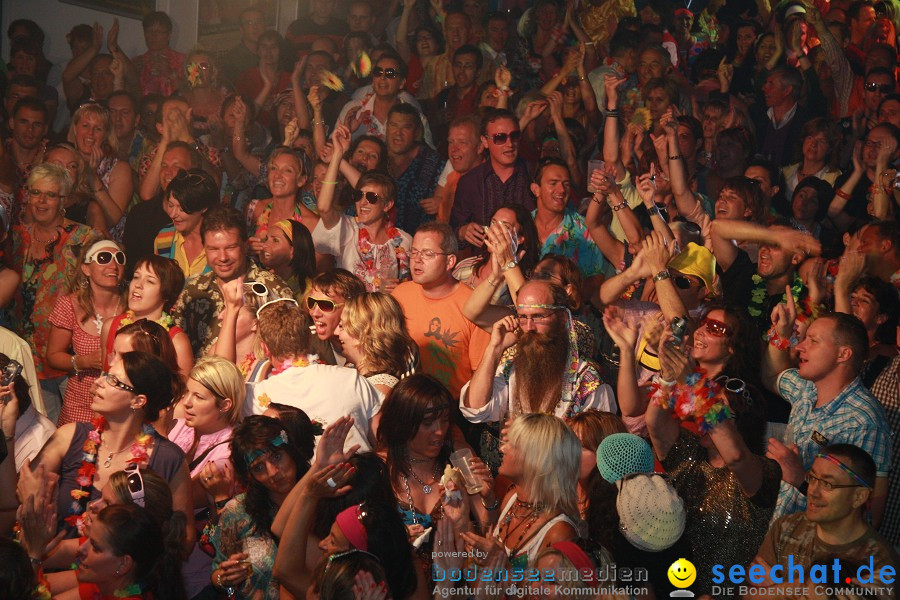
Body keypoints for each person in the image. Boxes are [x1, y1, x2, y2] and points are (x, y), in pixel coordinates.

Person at [637, 309, 782, 599]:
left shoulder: (764, 472)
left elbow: (736, 456)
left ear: (738, 422)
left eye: (714, 410)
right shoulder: (690, 454)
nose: (702, 413)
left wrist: (692, 381)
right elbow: (654, 424)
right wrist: (667, 377)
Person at [23, 350, 192, 542]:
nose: (97, 383)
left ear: (138, 401)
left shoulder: (168, 459)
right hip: (50, 565)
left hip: (121, 570)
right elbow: (22, 493)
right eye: (105, 375)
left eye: (112, 380)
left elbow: (183, 538)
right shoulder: (69, 435)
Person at [763, 307, 892, 525]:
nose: (800, 347)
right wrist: (780, 333)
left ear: (843, 354)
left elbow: (867, 516)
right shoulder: (807, 389)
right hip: (778, 535)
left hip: (814, 551)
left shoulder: (864, 423)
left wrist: (801, 479)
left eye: (813, 341)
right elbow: (771, 375)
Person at [6, 163, 96, 423]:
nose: (41, 201)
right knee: (40, 437)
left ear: (63, 200)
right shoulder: (15, 239)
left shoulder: (83, 238)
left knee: (79, 434)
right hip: (26, 361)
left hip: (71, 360)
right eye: (35, 193)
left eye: (50, 195)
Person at [749, 445, 899, 596]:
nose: (812, 491)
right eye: (812, 478)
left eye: (827, 484)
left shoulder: (879, 562)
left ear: (859, 496)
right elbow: (748, 594)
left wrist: (778, 589)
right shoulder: (787, 527)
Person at [462, 280, 615, 423]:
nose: (529, 327)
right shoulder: (511, 367)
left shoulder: (589, 381)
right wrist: (495, 349)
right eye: (523, 317)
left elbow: (595, 446)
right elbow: (475, 410)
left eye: (538, 316)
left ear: (562, 318)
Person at [245, 298, 380, 453]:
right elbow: (382, 441)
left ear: (265, 348)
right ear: (309, 338)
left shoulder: (253, 396)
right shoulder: (351, 378)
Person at [377, 374, 494, 550]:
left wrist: (489, 497)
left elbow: (487, 532)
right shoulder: (381, 467)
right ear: (403, 422)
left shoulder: (458, 454)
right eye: (428, 423)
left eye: (445, 420)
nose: (439, 431)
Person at [209, 415, 313, 599]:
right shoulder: (238, 512)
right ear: (249, 477)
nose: (273, 472)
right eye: (258, 468)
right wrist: (225, 580)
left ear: (291, 451)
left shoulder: (322, 497)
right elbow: (217, 572)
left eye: (277, 457)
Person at [465, 413, 580, 574]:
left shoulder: (559, 533)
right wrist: (489, 499)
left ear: (535, 458)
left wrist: (503, 565)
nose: (501, 448)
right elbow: (490, 543)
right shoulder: (512, 498)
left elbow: (547, 593)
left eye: (512, 444)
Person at [172, 206, 292, 358]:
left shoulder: (273, 289)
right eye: (214, 249)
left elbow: (290, 352)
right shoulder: (193, 290)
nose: (223, 257)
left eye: (230, 247)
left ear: (245, 245)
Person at [169, 356, 244, 600]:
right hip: (169, 555)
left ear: (224, 405)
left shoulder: (228, 455)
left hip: (196, 569)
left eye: (198, 397)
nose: (187, 403)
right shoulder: (184, 426)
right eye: (187, 393)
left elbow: (176, 498)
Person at [392, 223, 491, 398]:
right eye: (414, 252)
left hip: (451, 409)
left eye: (428, 254)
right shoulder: (400, 294)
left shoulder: (472, 305)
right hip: (405, 403)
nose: (417, 259)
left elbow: (481, 374)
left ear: (450, 261)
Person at [315, 126, 412, 292]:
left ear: (387, 205)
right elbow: (324, 208)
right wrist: (337, 155)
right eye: (359, 196)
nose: (363, 202)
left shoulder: (404, 240)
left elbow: (414, 285)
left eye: (372, 198)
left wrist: (403, 288)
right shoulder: (347, 228)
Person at [46, 240, 126, 425]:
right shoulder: (68, 305)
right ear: (86, 268)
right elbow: (52, 356)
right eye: (104, 258)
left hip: (121, 408)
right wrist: (84, 361)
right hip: (80, 408)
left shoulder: (133, 304)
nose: (113, 265)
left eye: (119, 258)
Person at [451, 108, 534, 247]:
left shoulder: (533, 174)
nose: (509, 144)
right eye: (500, 138)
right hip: (483, 262)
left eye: (514, 136)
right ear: (484, 142)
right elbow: (452, 231)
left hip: (528, 261)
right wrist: (462, 231)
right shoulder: (470, 182)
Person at [100, 254, 190, 376]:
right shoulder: (110, 326)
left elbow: (182, 392)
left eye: (150, 281)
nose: (138, 284)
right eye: (136, 277)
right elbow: (105, 374)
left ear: (167, 294)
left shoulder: (176, 341)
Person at [67, 102, 134, 240]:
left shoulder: (119, 168)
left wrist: (93, 177)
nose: (90, 133)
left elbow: (111, 220)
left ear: (106, 135)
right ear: (75, 129)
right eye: (85, 126)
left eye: (98, 129)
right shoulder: (64, 160)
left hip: (103, 247)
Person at [452, 204, 540, 306]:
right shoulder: (465, 266)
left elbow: (526, 308)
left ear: (520, 239)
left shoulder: (526, 279)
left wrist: (509, 263)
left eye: (505, 226)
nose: (495, 230)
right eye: (493, 223)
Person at [338, 292, 417, 398]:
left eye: (342, 326)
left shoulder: (379, 390)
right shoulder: (350, 370)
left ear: (363, 333)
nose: (336, 332)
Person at [153, 168, 218, 279]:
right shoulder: (164, 238)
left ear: (203, 207)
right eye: (171, 205)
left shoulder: (222, 242)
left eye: (181, 209)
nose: (173, 214)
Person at [235, 30, 292, 126]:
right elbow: (246, 118)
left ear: (280, 51)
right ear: (258, 51)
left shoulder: (289, 78)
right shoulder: (246, 77)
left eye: (273, 47)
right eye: (264, 46)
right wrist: (267, 85)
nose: (268, 52)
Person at [258, 219, 316, 298]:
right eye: (266, 239)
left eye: (275, 240)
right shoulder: (264, 277)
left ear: (293, 250)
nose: (265, 245)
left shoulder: (309, 293)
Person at [221, 6, 266, 87]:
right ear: (241, 29)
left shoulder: (274, 54)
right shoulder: (231, 60)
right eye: (249, 23)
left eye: (259, 22)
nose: (255, 27)